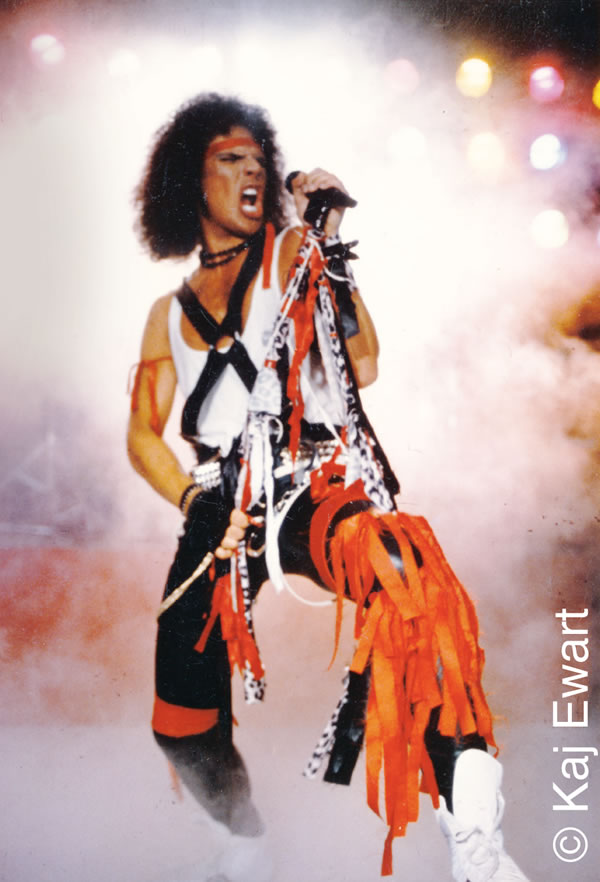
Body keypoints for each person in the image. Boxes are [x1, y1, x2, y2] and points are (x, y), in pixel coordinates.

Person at [128, 93, 529, 882]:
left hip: (309, 490)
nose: (250, 172)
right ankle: (242, 843)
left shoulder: (291, 255)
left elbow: (363, 363)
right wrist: (194, 502)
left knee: (409, 579)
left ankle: (474, 832)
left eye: (257, 160)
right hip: (219, 512)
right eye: (228, 159)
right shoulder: (165, 315)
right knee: (179, 717)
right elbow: (143, 434)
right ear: (189, 180)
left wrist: (328, 244)